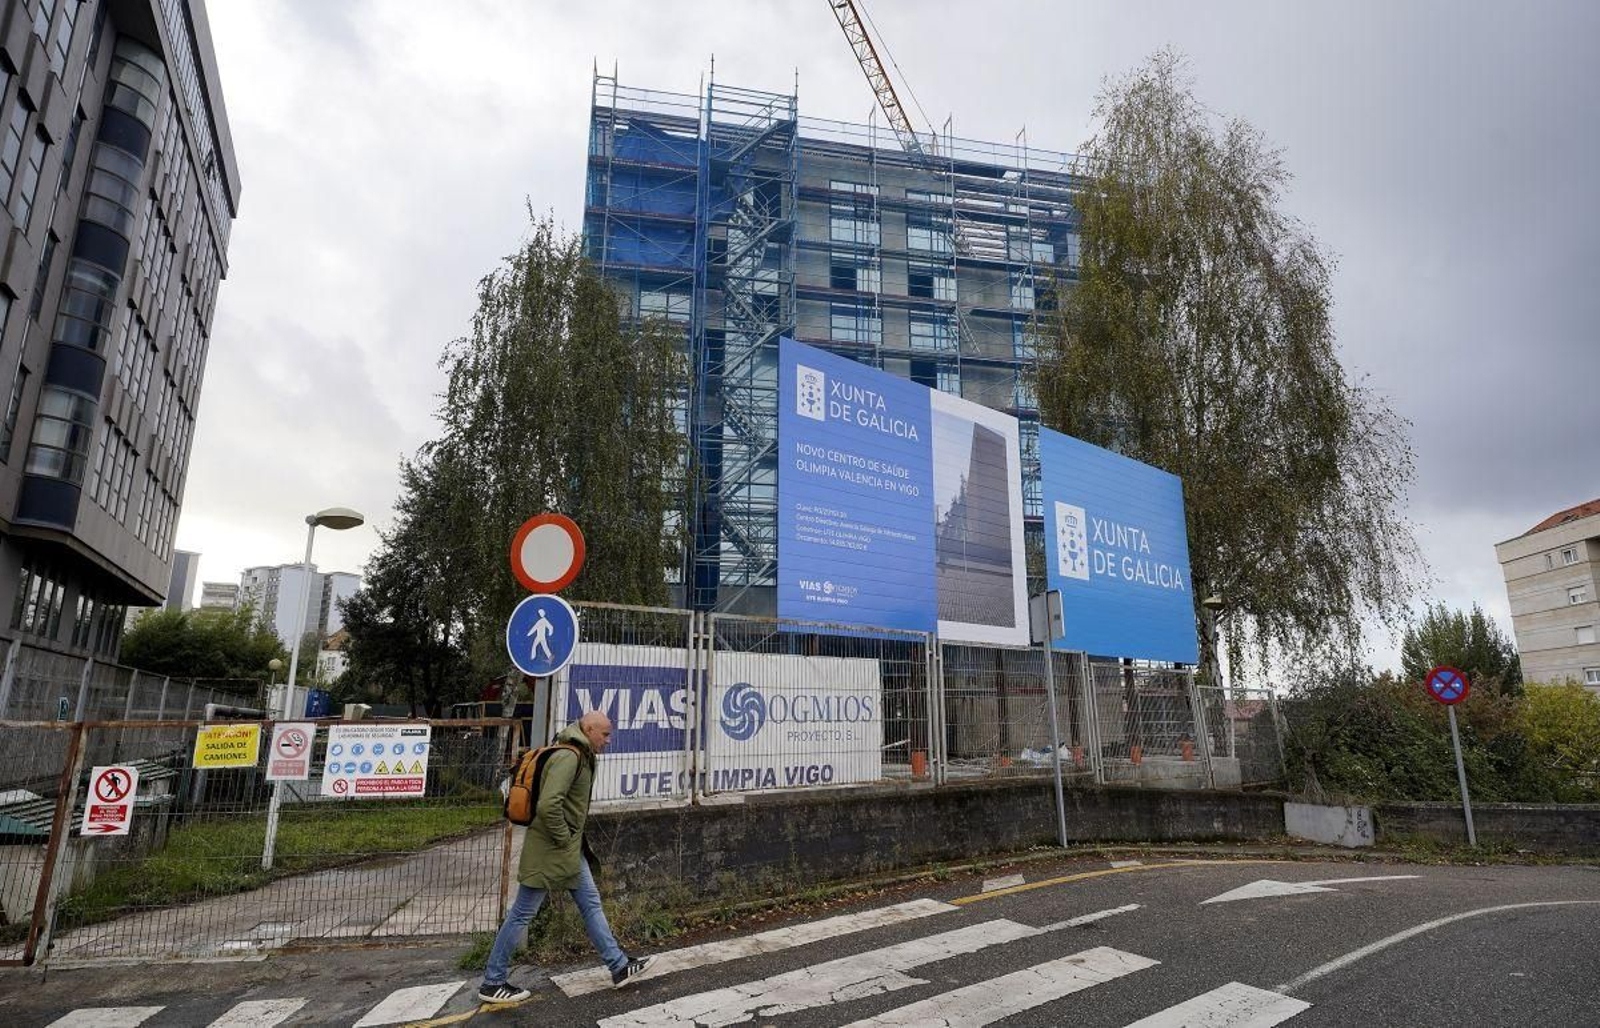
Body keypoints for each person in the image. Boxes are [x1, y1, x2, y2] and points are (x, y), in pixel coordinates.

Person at [478, 710, 653, 1004]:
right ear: (588, 729)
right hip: (552, 849)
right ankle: (492, 981)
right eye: (605, 734)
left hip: (567, 850)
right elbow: (548, 806)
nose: (609, 741)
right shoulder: (569, 757)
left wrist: (569, 841)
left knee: (591, 904)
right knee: (523, 912)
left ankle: (619, 966)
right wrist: (564, 838)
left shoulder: (581, 755)